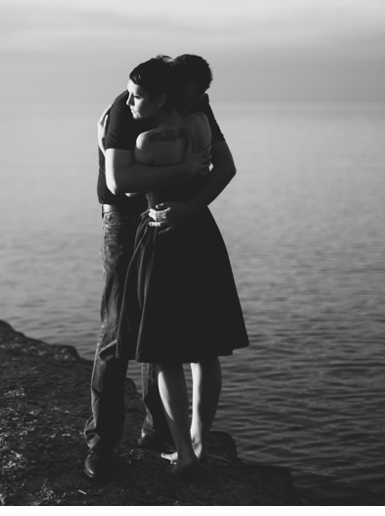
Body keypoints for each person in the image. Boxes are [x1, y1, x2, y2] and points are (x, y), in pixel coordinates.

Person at [84, 54, 234, 481]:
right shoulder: (124, 107)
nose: (200, 104)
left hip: (174, 219)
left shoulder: (193, 105)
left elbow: (223, 165)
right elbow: (118, 181)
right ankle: (102, 443)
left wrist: (188, 208)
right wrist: (184, 169)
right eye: (193, 98)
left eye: (201, 99)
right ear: (170, 94)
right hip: (124, 220)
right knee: (116, 334)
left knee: (158, 329)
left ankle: (158, 430)